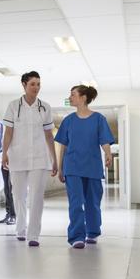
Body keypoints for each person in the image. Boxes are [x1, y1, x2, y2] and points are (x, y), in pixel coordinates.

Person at [2, 71, 58, 247]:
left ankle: (33, 234)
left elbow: (49, 135)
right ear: (24, 85)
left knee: (36, 197)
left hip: (40, 158)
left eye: (39, 84)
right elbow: (8, 132)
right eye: (33, 84)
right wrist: (4, 153)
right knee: (18, 196)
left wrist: (54, 159)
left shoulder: (45, 107)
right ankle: (20, 228)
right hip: (17, 157)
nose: (36, 87)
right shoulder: (13, 106)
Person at [55, 85, 114, 249]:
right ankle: (76, 236)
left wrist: (108, 154)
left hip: (93, 166)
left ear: (83, 98)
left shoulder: (99, 119)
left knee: (92, 203)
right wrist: (60, 168)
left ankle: (92, 232)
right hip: (72, 167)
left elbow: (104, 140)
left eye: (73, 94)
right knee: (75, 202)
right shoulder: (68, 120)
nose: (70, 97)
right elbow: (63, 147)